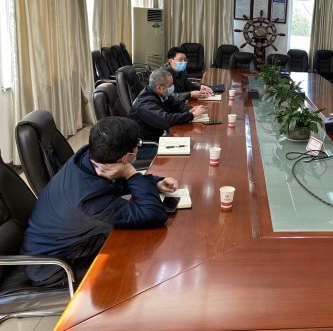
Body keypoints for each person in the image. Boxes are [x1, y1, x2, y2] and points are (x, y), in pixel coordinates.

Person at [21, 117, 179, 287]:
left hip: (74, 241)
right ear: (127, 157)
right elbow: (154, 214)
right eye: (138, 144)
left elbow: (114, 181)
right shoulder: (89, 199)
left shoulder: (88, 156)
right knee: (146, 261)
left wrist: (155, 182)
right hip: (55, 267)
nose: (138, 147)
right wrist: (130, 173)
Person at [129, 68, 207, 159]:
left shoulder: (160, 94)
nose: (172, 87)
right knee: (183, 155)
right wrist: (192, 115)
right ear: (159, 87)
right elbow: (166, 120)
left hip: (157, 138)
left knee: (190, 145)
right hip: (142, 146)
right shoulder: (145, 104)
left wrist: (191, 109)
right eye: (170, 85)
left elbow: (177, 105)